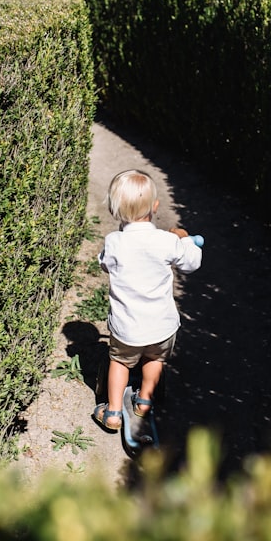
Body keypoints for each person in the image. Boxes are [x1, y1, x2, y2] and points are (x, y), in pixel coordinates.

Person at [92, 169, 202, 434]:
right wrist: (185, 240)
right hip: (161, 326)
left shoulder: (115, 242)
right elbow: (191, 263)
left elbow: (104, 263)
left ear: (114, 210)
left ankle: (114, 412)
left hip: (127, 328)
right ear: (155, 206)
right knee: (154, 359)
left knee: (120, 362)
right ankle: (144, 401)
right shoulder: (167, 241)